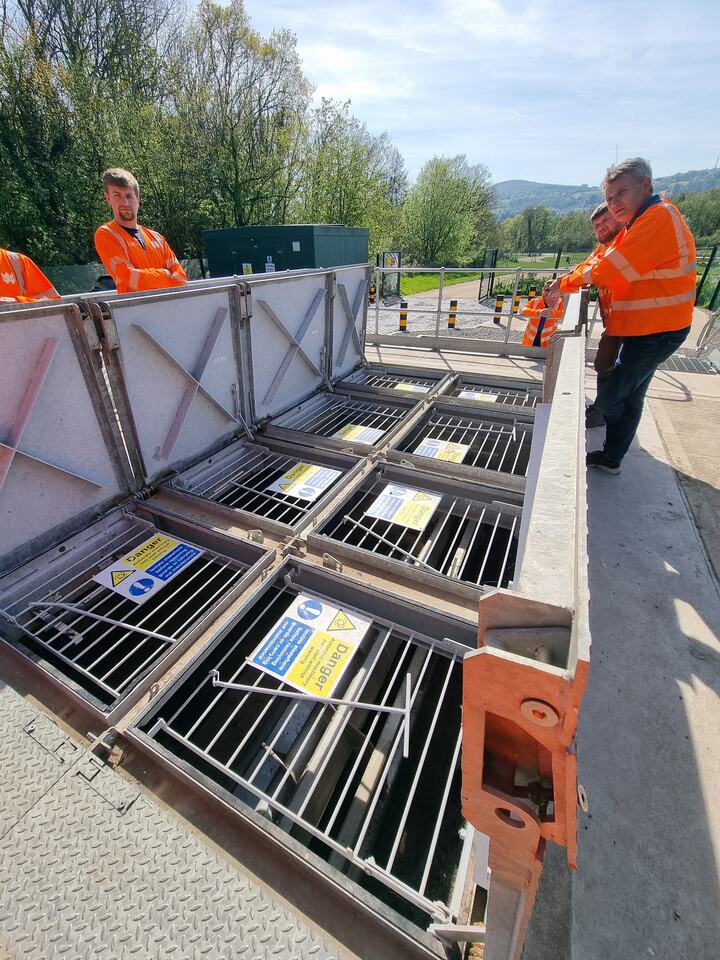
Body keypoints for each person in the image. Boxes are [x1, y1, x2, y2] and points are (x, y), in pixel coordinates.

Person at [545, 158, 695, 474]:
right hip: (643, 329)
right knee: (632, 398)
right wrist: (566, 281)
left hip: (658, 331)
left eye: (620, 194)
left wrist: (565, 284)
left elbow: (609, 268)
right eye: (610, 198)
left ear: (646, 186)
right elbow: (599, 261)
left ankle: (607, 442)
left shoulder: (658, 218)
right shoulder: (636, 224)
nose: (614, 204)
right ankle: (612, 457)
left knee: (612, 399)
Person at [561, 202, 623, 427]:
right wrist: (566, 280)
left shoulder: (624, 241)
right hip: (618, 321)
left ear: (619, 217)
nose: (600, 229)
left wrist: (564, 284)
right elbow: (586, 266)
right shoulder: (605, 246)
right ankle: (602, 412)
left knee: (622, 375)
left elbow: (599, 271)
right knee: (605, 364)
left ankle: (606, 416)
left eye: (605, 221)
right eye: (596, 225)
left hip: (637, 323)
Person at [94, 168, 187, 294]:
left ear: (138, 199)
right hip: (134, 310)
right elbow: (130, 279)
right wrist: (165, 274)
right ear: (108, 198)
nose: (124, 202)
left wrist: (147, 278)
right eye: (117, 196)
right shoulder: (106, 234)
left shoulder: (157, 238)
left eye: (129, 196)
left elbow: (181, 278)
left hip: (166, 308)